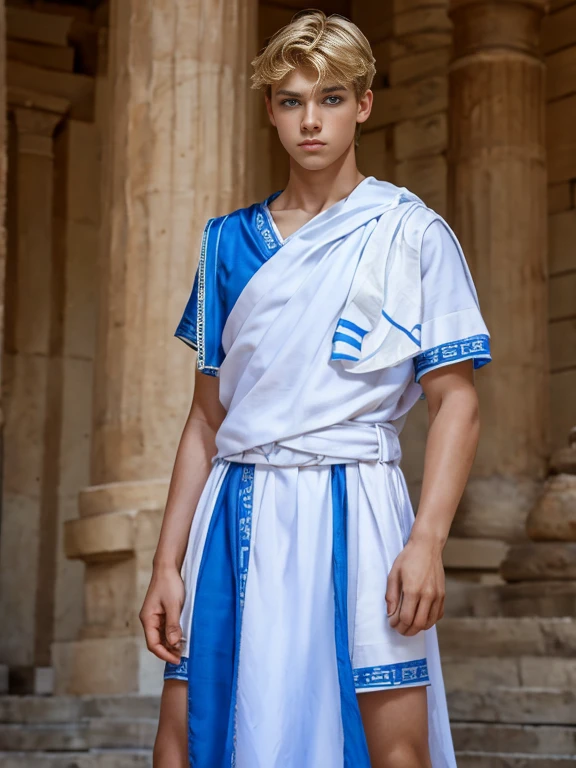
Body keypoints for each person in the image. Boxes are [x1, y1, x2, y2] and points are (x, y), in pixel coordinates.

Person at [140, 9, 491, 768]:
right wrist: (166, 563)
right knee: (185, 743)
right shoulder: (224, 242)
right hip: (235, 508)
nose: (311, 120)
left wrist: (428, 540)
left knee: (393, 749)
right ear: (270, 110)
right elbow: (206, 421)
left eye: (331, 98)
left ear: (363, 104)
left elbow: (455, 399)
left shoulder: (411, 231)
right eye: (293, 101)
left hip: (358, 505)